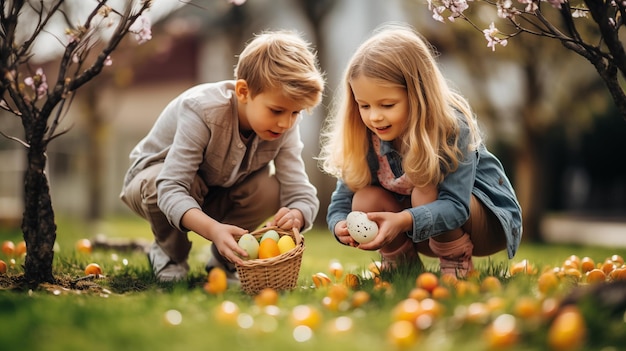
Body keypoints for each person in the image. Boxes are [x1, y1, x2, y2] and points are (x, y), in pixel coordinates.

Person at [318, 24, 522, 278]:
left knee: (424, 190)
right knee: (364, 200)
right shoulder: (363, 134)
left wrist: (403, 220)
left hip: (479, 224)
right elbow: (341, 202)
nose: (375, 116)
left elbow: (457, 206)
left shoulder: (450, 128)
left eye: (387, 104)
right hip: (420, 229)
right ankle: (403, 268)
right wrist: (339, 225)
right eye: (364, 105)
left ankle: (456, 263)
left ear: (417, 95)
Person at [120, 30, 325, 282]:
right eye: (277, 110)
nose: (286, 123)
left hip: (217, 190)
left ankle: (228, 256)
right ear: (243, 92)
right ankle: (169, 253)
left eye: (296, 113)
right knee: (163, 182)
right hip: (156, 187)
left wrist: (299, 212)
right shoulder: (202, 110)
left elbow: (299, 190)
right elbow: (170, 186)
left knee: (271, 188)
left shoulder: (284, 126)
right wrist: (213, 230)